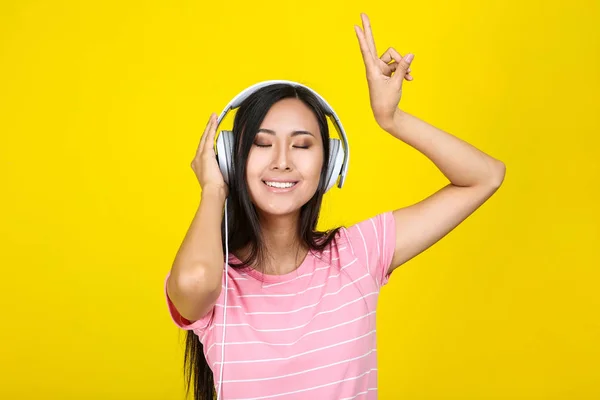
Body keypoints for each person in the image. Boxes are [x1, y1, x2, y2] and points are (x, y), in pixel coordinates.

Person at [164, 13, 505, 400]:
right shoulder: (215, 278)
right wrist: (213, 187)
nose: (282, 160)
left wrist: (391, 119)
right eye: (261, 143)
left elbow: (486, 176)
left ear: (331, 164)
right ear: (230, 158)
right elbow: (191, 283)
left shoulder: (358, 253)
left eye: (302, 144)